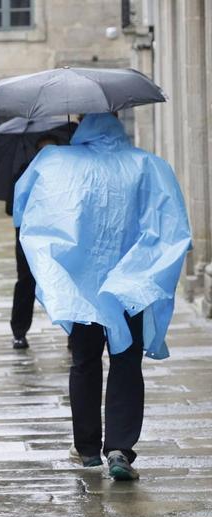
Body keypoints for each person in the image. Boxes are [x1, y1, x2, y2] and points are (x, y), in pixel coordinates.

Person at [14, 113, 191, 480]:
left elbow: (25, 209)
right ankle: (120, 448)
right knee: (126, 362)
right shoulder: (147, 165)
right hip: (131, 285)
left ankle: (88, 449)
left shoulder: (56, 164)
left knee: (85, 361)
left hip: (82, 288)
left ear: (81, 122)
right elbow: (170, 225)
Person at [6, 136, 60, 350]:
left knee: (67, 284)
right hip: (28, 239)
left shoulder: (67, 173)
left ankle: (75, 336)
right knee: (26, 284)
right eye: (43, 150)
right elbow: (11, 208)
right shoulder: (24, 173)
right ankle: (19, 332)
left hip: (60, 237)